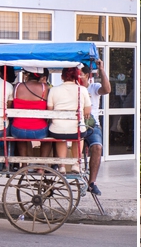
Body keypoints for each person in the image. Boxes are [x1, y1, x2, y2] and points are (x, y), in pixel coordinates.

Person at [46, 67, 91, 174]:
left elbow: (49, 110)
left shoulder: (53, 90)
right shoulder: (82, 90)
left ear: (62, 77)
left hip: (57, 129)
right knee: (79, 135)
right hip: (76, 128)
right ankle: (76, 164)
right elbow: (87, 111)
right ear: (76, 76)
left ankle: (62, 166)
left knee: (61, 135)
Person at [10, 67, 51, 162]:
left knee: (22, 137)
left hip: (18, 130)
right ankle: (42, 165)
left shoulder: (17, 86)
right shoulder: (45, 88)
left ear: (27, 75)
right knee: (49, 138)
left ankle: (25, 165)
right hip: (38, 130)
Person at [82, 60, 111, 195]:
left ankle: (92, 182)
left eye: (80, 75)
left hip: (92, 125)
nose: (78, 77)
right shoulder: (73, 88)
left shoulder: (93, 87)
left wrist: (102, 70)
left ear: (87, 75)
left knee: (97, 147)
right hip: (75, 125)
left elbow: (107, 89)